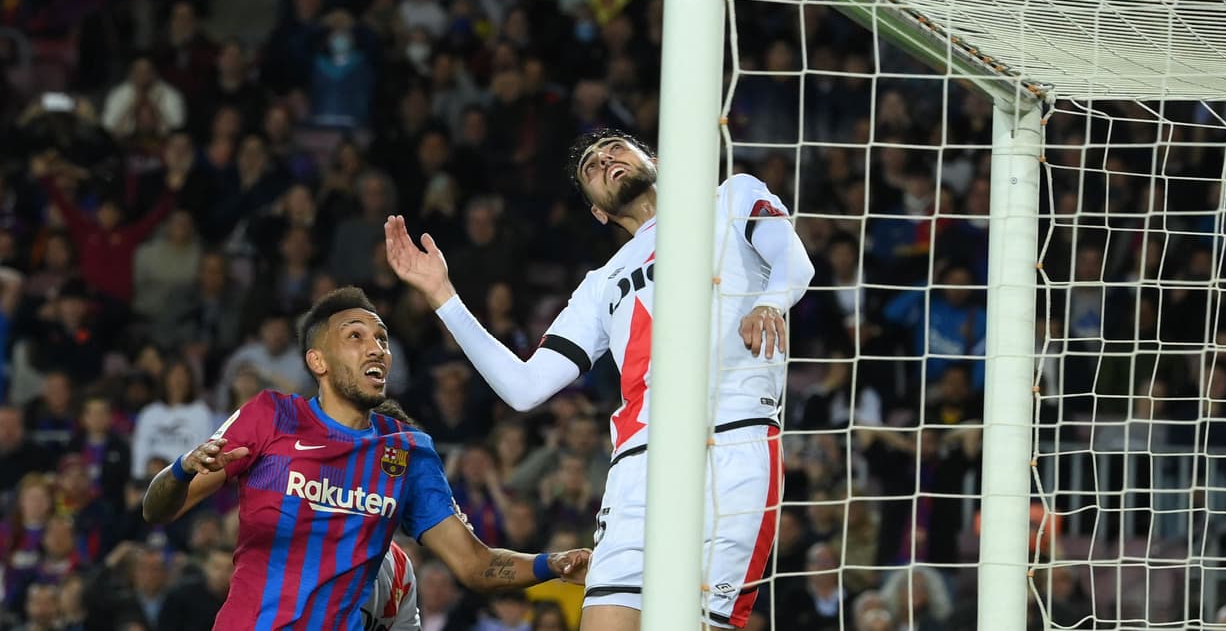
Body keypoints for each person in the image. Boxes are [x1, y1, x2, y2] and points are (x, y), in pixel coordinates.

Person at [385, 128, 816, 630]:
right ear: (598, 211)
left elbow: (795, 260)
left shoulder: (732, 197)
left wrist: (770, 301)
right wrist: (444, 296)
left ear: (652, 160)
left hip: (733, 445)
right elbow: (525, 388)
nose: (604, 160)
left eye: (614, 149)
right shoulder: (602, 283)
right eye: (590, 167)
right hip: (638, 467)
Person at [140, 285, 589, 630]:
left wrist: (552, 563)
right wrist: (181, 470)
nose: (377, 348)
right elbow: (158, 509)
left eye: (382, 338)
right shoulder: (270, 415)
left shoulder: (408, 451)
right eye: (355, 336)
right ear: (318, 361)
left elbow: (475, 564)